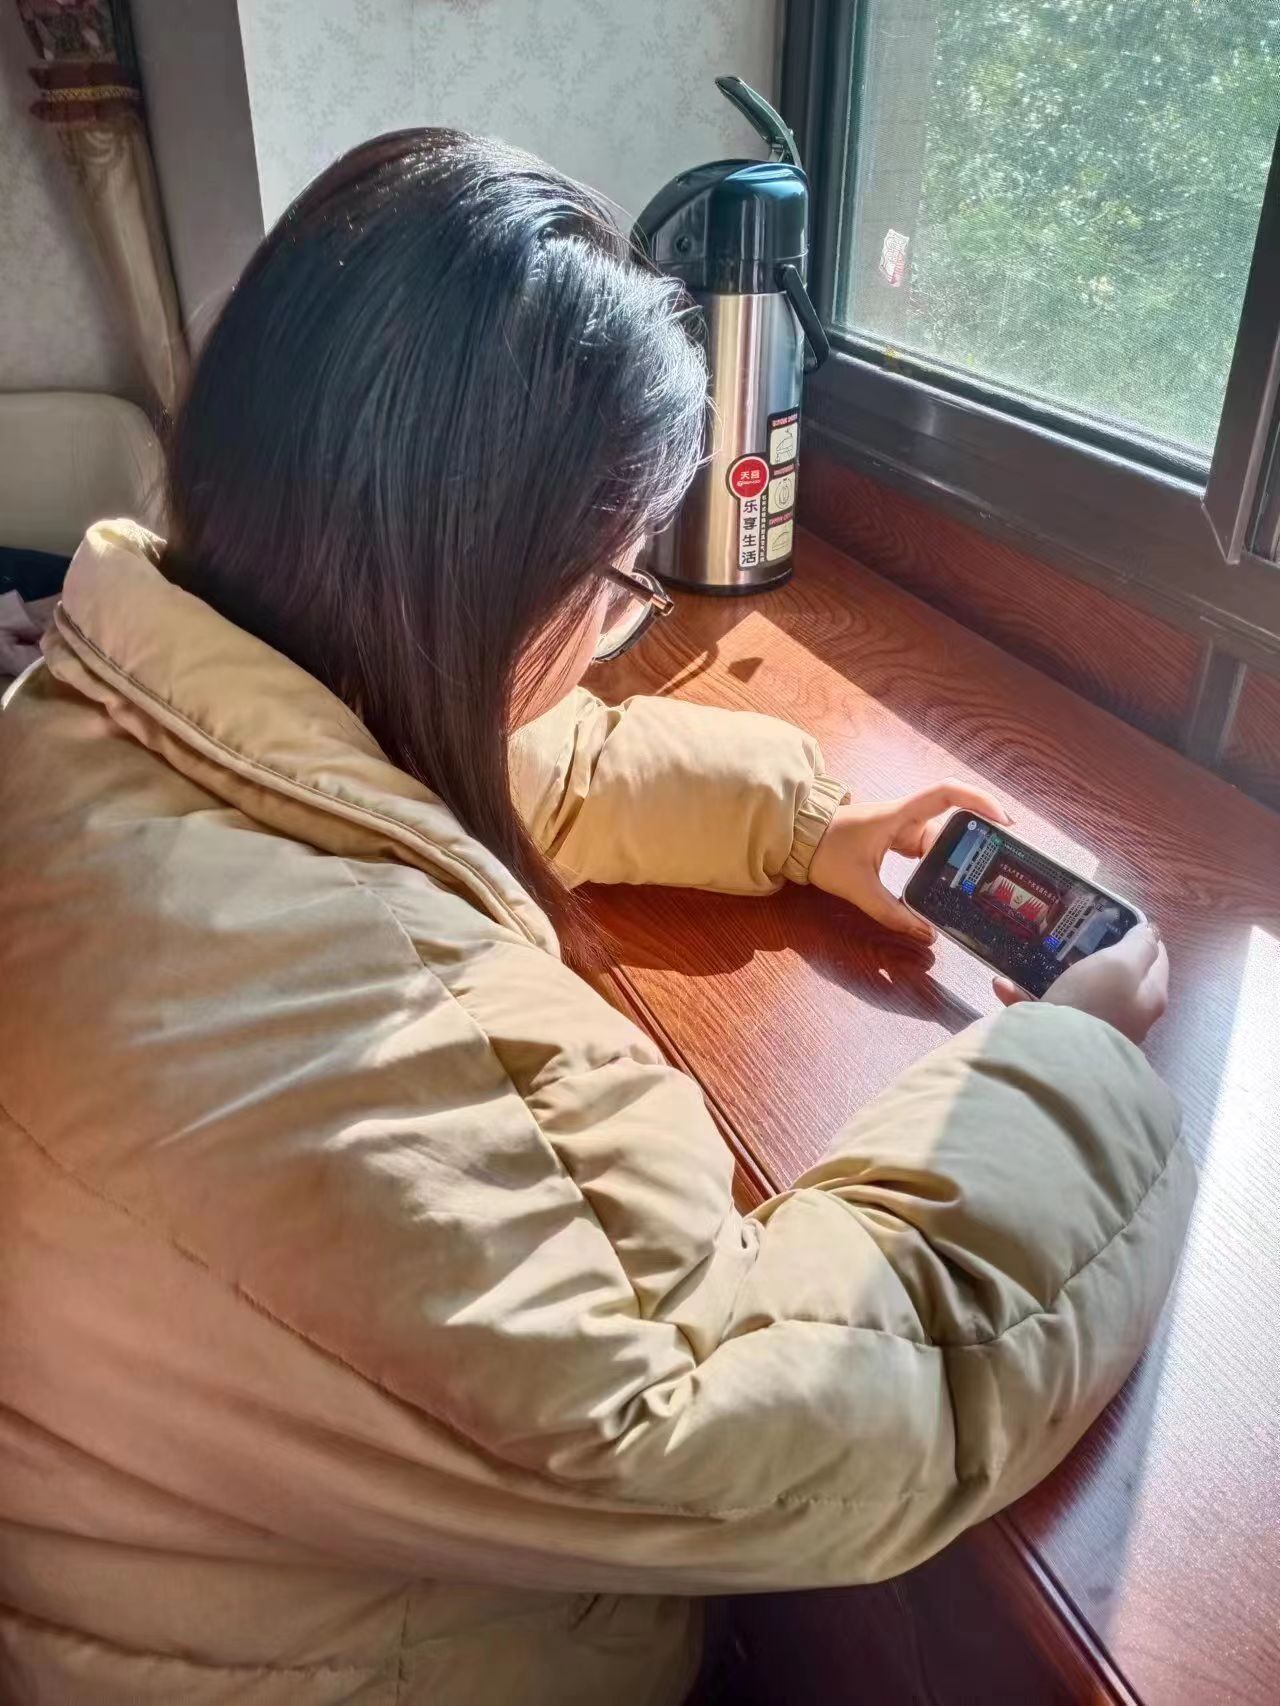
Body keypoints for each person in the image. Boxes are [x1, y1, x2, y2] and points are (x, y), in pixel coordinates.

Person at [0, 130, 1193, 1705]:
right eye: (628, 584)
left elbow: (472, 760)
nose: (618, 628)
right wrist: (1075, 1063)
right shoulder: (394, 1055)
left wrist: (805, 821)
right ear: (488, 584)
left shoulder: (104, 714)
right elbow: (792, 1421)